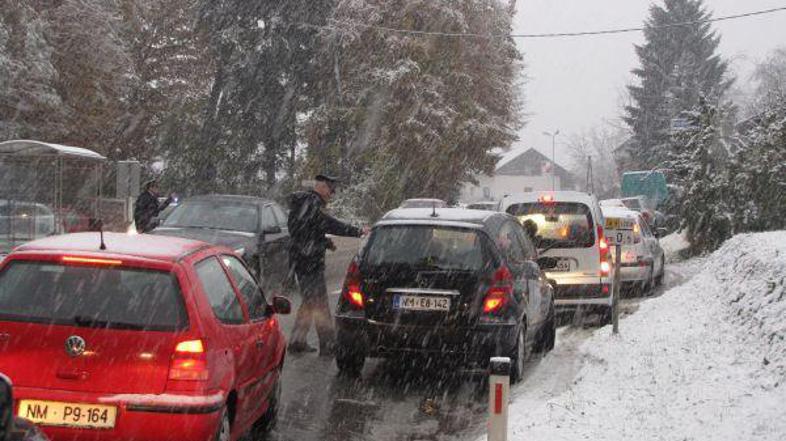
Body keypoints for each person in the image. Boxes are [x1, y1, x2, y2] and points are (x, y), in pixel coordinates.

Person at [287, 174, 368, 355]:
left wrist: (324, 243)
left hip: (303, 260)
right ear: (322, 187)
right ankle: (328, 344)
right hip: (308, 262)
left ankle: (297, 341)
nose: (331, 195)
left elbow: (307, 231)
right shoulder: (311, 204)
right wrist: (357, 231)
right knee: (319, 302)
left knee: (310, 301)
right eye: (330, 191)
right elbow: (328, 225)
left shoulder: (304, 204)